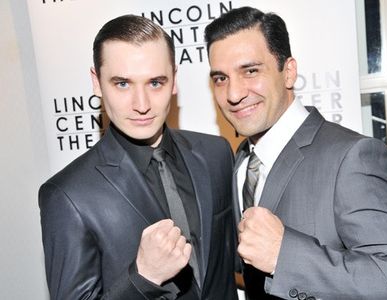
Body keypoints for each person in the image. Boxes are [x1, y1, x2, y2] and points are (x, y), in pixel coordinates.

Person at [205, 6, 387, 300]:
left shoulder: (354, 158)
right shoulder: (242, 160)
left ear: (288, 72)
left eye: (251, 71)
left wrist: (285, 256)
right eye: (220, 79)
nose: (233, 93)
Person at [39, 15, 238, 300]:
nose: (141, 105)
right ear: (96, 83)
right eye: (122, 84)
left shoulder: (216, 154)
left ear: (174, 81)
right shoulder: (68, 195)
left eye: (155, 82)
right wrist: (143, 277)